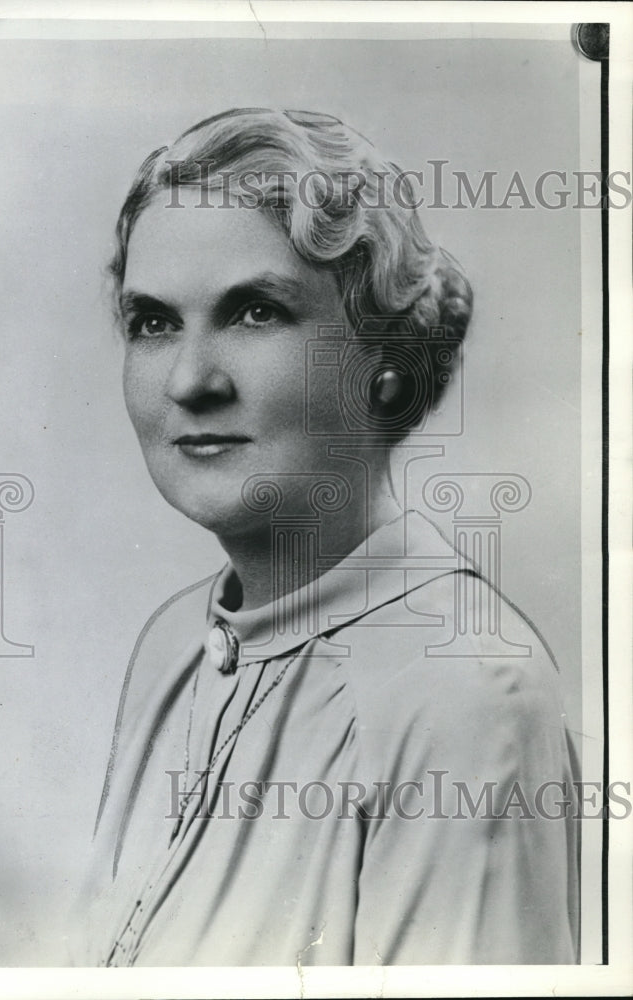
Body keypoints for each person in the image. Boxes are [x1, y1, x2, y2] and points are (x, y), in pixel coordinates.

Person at [72, 109, 579, 966]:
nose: (191, 380)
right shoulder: (173, 646)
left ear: (384, 356)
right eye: (153, 322)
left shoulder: (466, 694)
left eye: (257, 312)